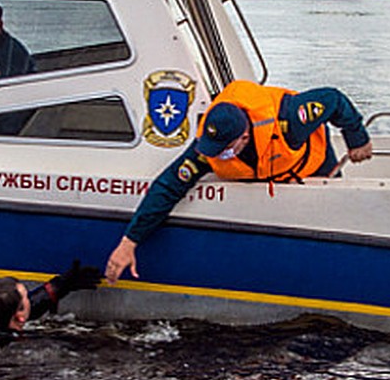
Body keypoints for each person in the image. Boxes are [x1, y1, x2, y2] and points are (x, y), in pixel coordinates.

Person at [104, 78, 374, 283]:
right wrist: (129, 242)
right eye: (213, 148)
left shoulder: (290, 118)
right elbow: (168, 186)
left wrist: (357, 138)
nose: (217, 155)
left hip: (314, 164)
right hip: (269, 178)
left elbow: (334, 100)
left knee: (333, 209)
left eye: (223, 149)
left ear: (244, 137)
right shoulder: (208, 148)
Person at [0, 260, 103, 341]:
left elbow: (30, 308)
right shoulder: (20, 343)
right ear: (19, 317)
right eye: (27, 297)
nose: (30, 297)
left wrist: (58, 286)